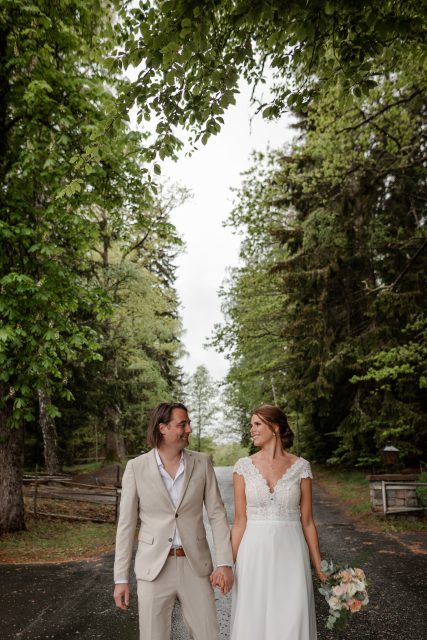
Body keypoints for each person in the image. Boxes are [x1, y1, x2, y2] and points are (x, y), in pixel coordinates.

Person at [113, 402, 234, 640]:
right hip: (153, 568)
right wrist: (120, 578)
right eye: (182, 424)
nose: (189, 429)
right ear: (163, 428)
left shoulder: (202, 462)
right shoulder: (136, 468)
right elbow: (126, 527)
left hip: (195, 566)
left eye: (188, 423)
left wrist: (225, 563)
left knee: (209, 635)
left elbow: (217, 514)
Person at [230, 404, 325, 640]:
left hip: (292, 554)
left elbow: (308, 522)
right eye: (251, 424)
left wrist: (320, 567)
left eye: (257, 424)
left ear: (275, 427)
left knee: (292, 619)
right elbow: (239, 522)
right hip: (253, 555)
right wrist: (226, 564)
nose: (251, 429)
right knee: (253, 621)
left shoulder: (301, 467)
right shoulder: (243, 467)